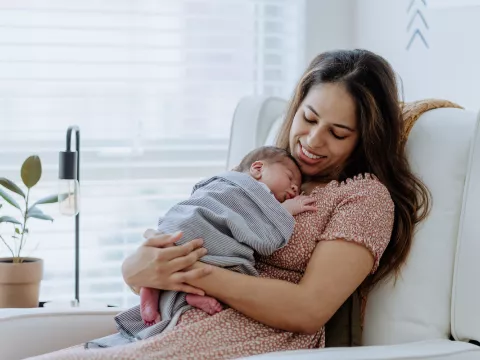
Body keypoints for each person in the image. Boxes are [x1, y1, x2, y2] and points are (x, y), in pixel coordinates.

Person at [31, 49, 430, 360]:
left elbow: (308, 309)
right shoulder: (267, 171)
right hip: (178, 319)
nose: (313, 141)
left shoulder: (364, 198)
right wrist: (135, 268)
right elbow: (192, 230)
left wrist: (194, 273)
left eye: (338, 133)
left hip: (255, 335)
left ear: (365, 139)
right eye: (308, 118)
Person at [86, 146, 317, 348]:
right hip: (199, 232)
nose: (295, 189)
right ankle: (169, 293)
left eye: (297, 187)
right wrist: (287, 210)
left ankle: (165, 294)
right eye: (289, 179)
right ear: (258, 169)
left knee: (178, 256)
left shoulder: (229, 186)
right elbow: (265, 233)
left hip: (186, 231)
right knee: (216, 264)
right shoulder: (251, 190)